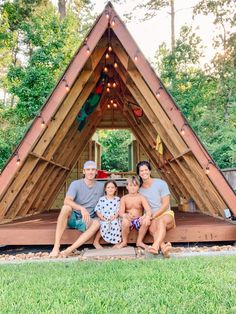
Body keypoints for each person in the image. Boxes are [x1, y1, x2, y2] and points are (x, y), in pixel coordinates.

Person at [50, 160, 104, 257]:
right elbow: (66, 200)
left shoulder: (101, 186)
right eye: (88, 169)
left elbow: (106, 203)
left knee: (97, 223)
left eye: (93, 170)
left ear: (96, 172)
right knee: (65, 208)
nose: (90, 172)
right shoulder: (76, 184)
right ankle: (56, 246)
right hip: (73, 217)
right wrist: (82, 208)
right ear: (84, 171)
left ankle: (69, 249)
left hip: (87, 220)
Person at [137, 160, 175, 257]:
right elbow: (144, 208)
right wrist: (145, 217)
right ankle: (163, 248)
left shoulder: (161, 183)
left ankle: (155, 245)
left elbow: (166, 204)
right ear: (139, 173)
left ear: (150, 171)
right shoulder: (140, 190)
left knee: (161, 221)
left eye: (146, 170)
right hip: (152, 217)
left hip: (166, 214)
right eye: (141, 171)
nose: (144, 172)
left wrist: (153, 216)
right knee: (153, 228)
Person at [116, 176, 152, 249]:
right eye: (130, 185)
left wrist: (146, 216)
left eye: (135, 185)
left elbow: (148, 210)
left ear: (138, 187)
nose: (132, 188)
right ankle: (124, 241)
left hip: (139, 219)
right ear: (127, 187)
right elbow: (120, 212)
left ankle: (139, 241)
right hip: (129, 219)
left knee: (146, 221)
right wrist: (125, 215)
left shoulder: (141, 197)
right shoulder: (124, 198)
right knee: (125, 221)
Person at [93, 180, 121, 249]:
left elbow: (119, 210)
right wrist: (102, 217)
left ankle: (117, 242)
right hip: (104, 218)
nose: (110, 189)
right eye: (108, 187)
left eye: (112, 187)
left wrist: (115, 216)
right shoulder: (102, 199)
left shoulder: (117, 199)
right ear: (105, 189)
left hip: (114, 217)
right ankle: (96, 241)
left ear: (115, 189)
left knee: (116, 223)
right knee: (103, 224)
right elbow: (97, 210)